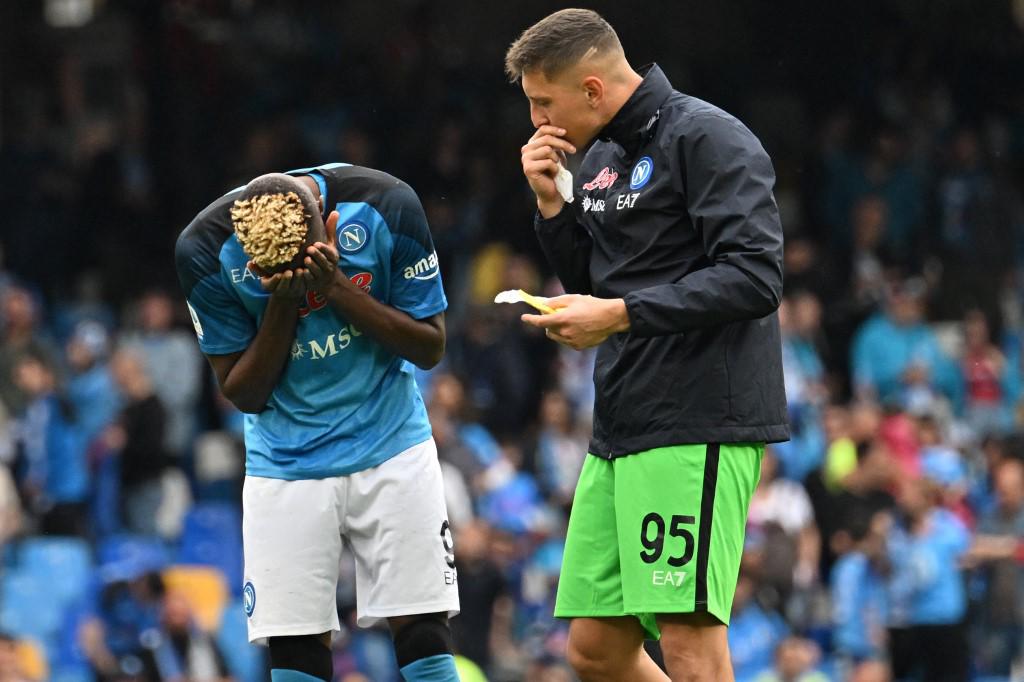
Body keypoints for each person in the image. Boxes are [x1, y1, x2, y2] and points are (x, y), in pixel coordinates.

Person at [505, 9, 788, 681]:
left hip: (695, 421)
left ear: (594, 90)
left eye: (545, 103)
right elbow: (599, 283)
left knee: (690, 645)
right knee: (595, 650)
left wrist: (621, 314)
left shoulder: (708, 137)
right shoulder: (600, 159)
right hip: (623, 423)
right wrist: (551, 206)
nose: (538, 121)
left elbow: (756, 276)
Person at [174, 164, 459, 682]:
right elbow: (244, 392)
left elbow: (430, 345)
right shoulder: (204, 247)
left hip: (392, 442)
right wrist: (285, 299)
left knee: (423, 631)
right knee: (294, 649)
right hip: (284, 464)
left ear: (326, 223)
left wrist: (336, 288)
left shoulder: (386, 203)